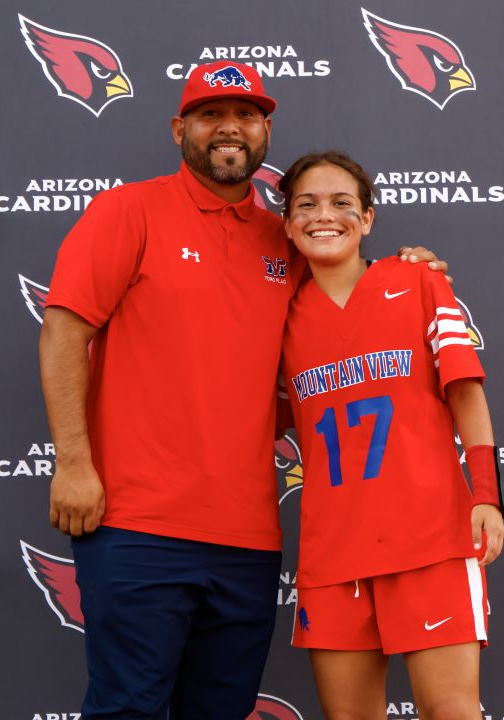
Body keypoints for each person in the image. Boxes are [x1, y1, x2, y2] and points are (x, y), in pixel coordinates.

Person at [38, 63, 448, 719]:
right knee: (128, 707)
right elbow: (63, 329)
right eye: (209, 114)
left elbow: (349, 311)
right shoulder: (128, 210)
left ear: (265, 131)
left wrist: (410, 270)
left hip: (248, 538)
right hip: (138, 524)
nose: (229, 127)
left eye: (246, 114)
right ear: (180, 129)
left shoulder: (282, 240)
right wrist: (74, 461)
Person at [276, 150, 504, 720]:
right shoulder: (276, 318)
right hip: (332, 551)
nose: (323, 216)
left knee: (451, 710)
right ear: (285, 223)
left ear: (369, 218)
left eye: (341, 203)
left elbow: (465, 391)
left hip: (429, 537)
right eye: (305, 205)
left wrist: (486, 495)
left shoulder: (418, 280)